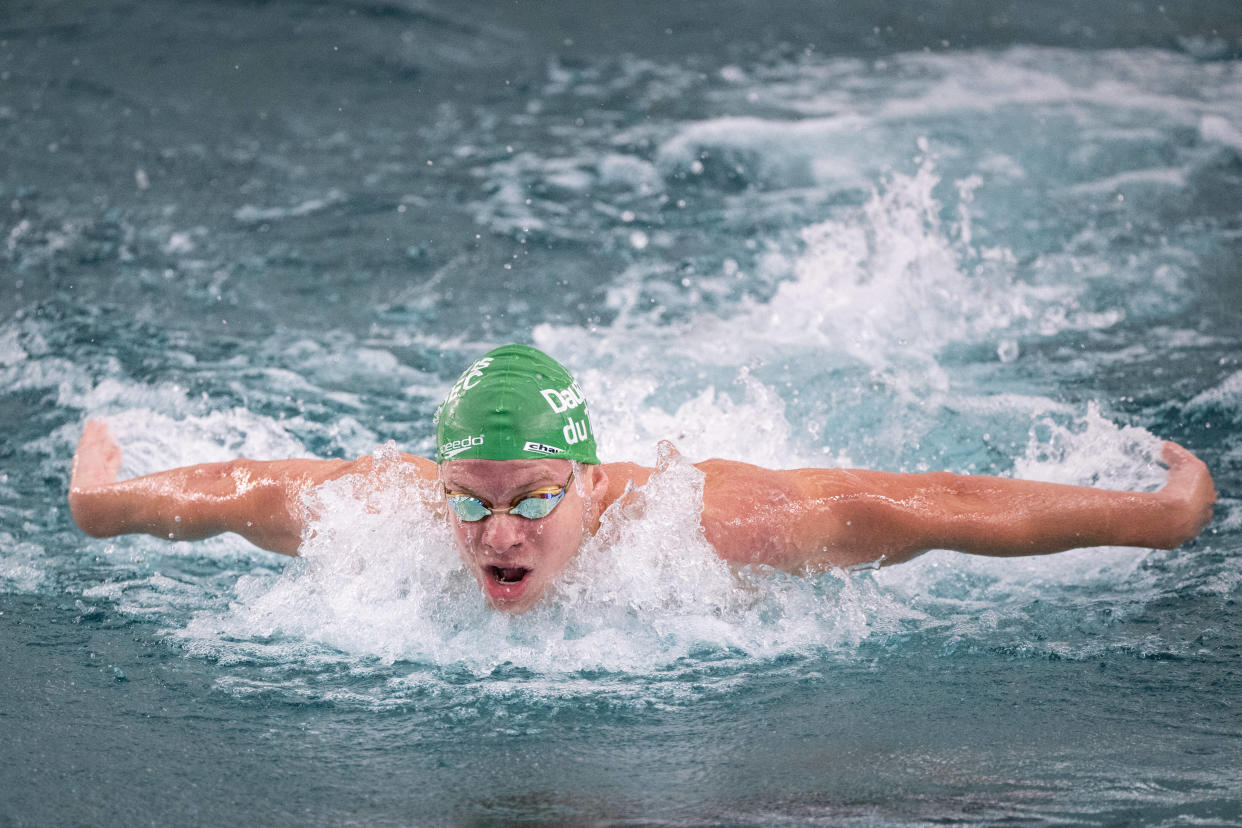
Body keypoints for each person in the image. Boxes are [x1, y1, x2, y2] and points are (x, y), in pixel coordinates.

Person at [68, 344, 1217, 613]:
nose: (493, 534)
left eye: (529, 499)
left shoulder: (709, 523)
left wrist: (1155, 521)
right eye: (470, 496)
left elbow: (932, 505)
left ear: (582, 480)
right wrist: (103, 493)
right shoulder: (396, 507)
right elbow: (233, 490)